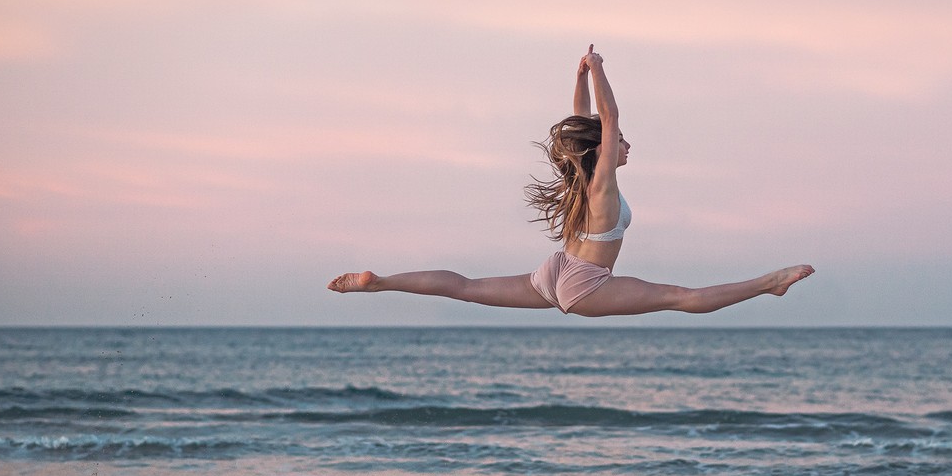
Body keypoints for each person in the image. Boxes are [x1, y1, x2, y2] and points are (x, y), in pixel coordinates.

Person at [328, 45, 814, 316]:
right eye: (621, 143)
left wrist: (578, 76)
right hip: (584, 283)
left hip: (554, 271)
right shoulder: (600, 182)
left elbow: (583, 121)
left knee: (464, 286)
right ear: (603, 149)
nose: (627, 146)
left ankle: (382, 283)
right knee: (680, 298)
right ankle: (770, 282)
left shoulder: (579, 175)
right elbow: (607, 115)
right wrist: (599, 69)